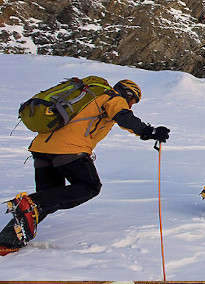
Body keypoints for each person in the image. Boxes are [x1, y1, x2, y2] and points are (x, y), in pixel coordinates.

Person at [0, 79, 170, 248]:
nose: (132, 105)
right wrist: (149, 131)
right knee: (90, 186)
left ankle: (7, 240)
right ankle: (28, 207)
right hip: (69, 149)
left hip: (41, 149)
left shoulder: (92, 98)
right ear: (127, 93)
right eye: (133, 101)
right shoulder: (112, 98)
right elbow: (124, 116)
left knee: (47, 199)